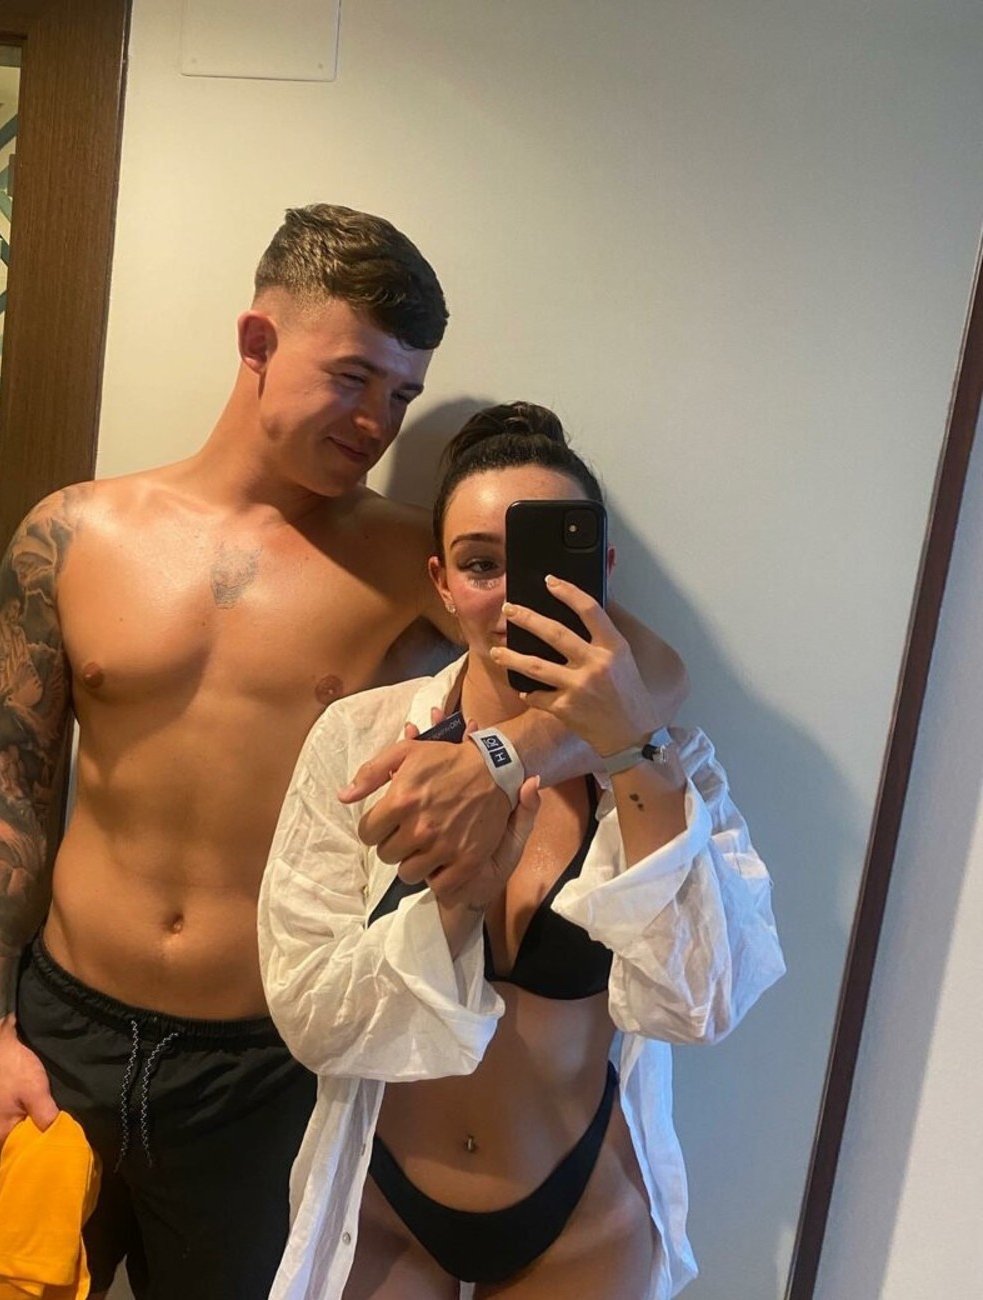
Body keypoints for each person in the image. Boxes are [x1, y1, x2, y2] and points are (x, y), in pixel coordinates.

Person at [0, 208, 686, 1299]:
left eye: (403, 395)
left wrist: (500, 755)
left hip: (262, 1066)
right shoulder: (78, 534)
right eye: (354, 377)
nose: (378, 420)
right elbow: (4, 779)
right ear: (258, 342)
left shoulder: (408, 556)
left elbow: (648, 675)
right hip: (63, 1032)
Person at [259, 402, 786, 1300]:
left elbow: (706, 1003)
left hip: (582, 1216)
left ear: (601, 573)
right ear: (440, 582)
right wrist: (453, 900)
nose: (513, 597)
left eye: (547, 566)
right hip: (386, 1209)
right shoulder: (362, 743)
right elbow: (310, 1015)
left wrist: (635, 752)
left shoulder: (670, 764)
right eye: (479, 565)